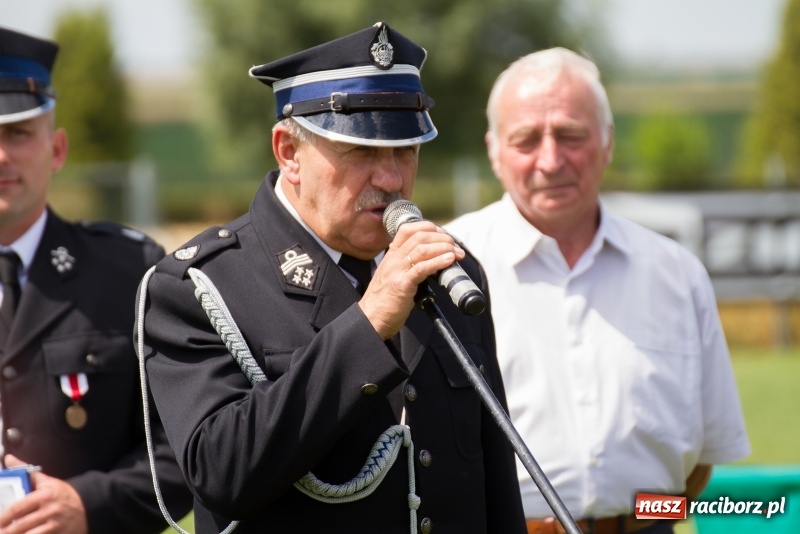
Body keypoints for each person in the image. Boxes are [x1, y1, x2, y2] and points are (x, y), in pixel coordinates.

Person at [137, 22, 526, 534]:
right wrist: (367, 325)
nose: (391, 178)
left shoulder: (449, 269)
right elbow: (221, 476)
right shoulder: (196, 287)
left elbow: (493, 482)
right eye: (362, 152)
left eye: (405, 150)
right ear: (288, 152)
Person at [445, 48, 751, 534]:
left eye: (571, 135)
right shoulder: (444, 268)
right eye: (526, 139)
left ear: (608, 142)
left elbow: (699, 467)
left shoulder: (676, 273)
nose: (550, 159)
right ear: (494, 151)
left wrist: (636, 521)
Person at [0, 26, 192, 533]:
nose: (1, 156)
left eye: (17, 133)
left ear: (57, 149)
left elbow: (187, 447)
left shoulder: (132, 274)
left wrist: (90, 504)